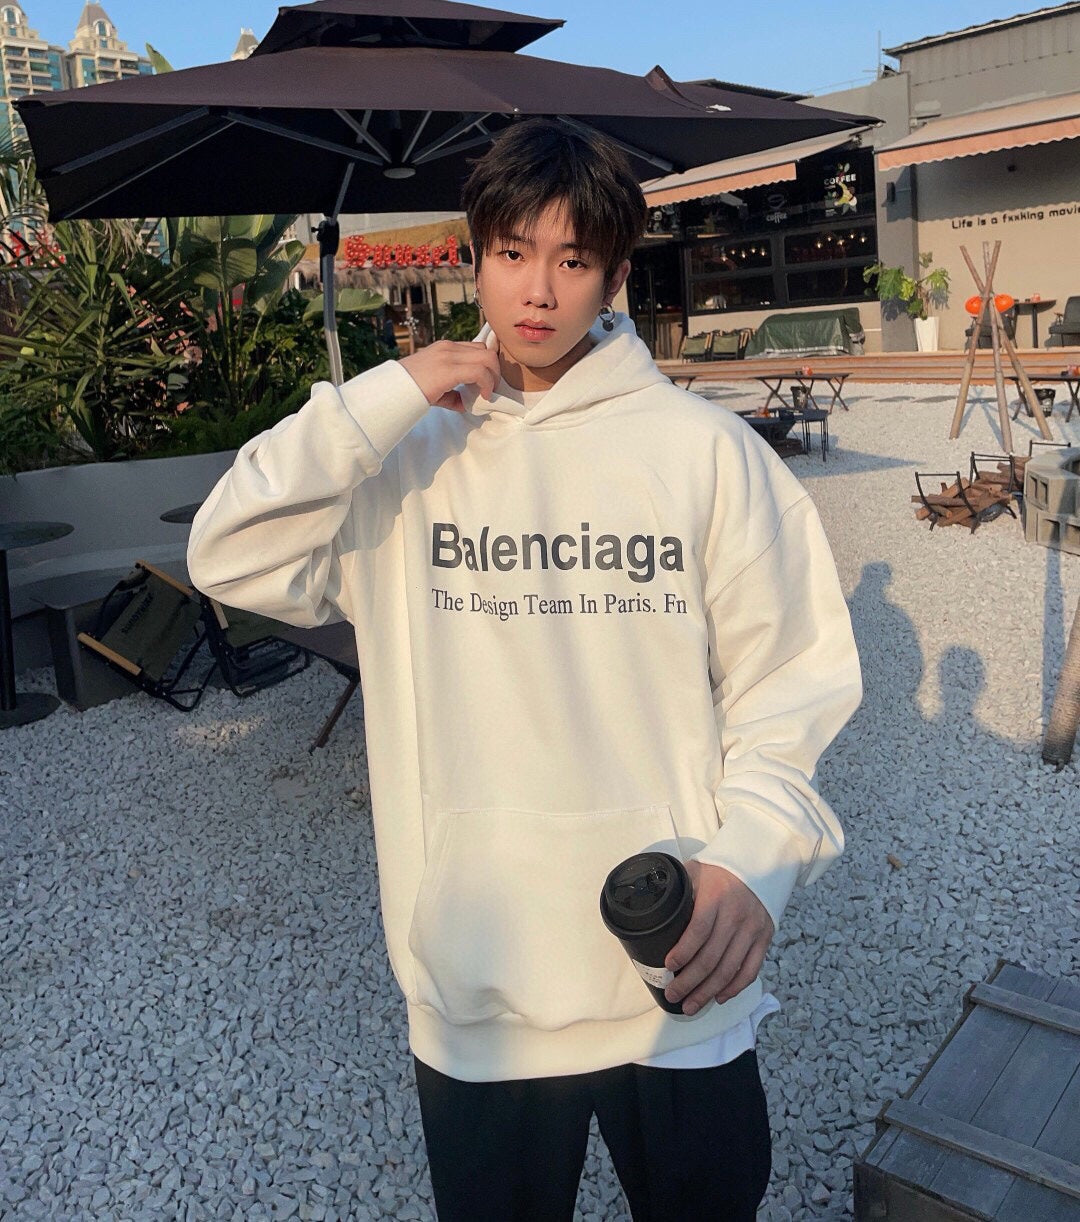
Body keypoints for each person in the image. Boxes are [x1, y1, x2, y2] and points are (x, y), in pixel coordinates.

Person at [187, 119, 861, 1221]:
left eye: (573, 259)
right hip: (477, 990)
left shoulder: (705, 452)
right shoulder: (404, 456)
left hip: (671, 965)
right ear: (476, 256)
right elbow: (227, 552)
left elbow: (792, 677)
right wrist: (381, 397)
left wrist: (756, 858)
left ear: (616, 275)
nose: (538, 290)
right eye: (512, 252)